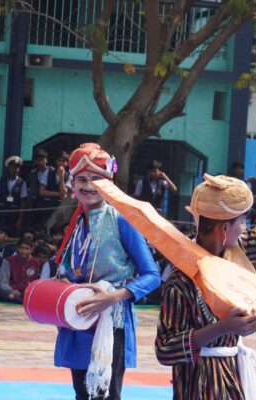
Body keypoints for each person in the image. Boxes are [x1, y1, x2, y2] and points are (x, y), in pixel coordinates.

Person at [154, 136, 256, 400]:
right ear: (223, 229)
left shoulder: (236, 251)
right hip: (196, 386)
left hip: (233, 377)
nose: (245, 228)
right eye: (242, 221)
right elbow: (165, 350)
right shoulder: (181, 279)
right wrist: (224, 327)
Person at [53, 143, 160, 400]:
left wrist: (112, 297)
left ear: (108, 183)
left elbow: (152, 275)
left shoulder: (122, 220)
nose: (89, 185)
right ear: (73, 183)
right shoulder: (76, 224)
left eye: (96, 179)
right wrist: (64, 280)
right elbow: (66, 267)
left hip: (112, 322)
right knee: (82, 393)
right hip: (78, 319)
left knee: (107, 394)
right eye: (82, 179)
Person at [27, 148, 67, 230]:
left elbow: (64, 195)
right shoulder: (33, 173)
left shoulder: (66, 175)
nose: (40, 162)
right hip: (38, 205)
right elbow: (41, 191)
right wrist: (58, 194)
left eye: (42, 160)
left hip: (57, 207)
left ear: (46, 160)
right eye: (38, 160)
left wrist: (61, 177)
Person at [0, 237, 39, 303]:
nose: (24, 251)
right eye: (21, 248)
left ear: (32, 249)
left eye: (27, 249)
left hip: (26, 295)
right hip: (10, 293)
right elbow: (3, 283)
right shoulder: (8, 261)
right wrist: (11, 291)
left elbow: (35, 284)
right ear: (17, 248)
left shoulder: (35, 262)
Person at [0, 155, 28, 236]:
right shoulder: (1, 180)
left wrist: (20, 219)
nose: (14, 169)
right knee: (0, 232)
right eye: (12, 167)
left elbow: (23, 202)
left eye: (16, 167)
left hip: (14, 213)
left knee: (11, 233)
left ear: (19, 169)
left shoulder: (22, 183)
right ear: (8, 168)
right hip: (2, 211)